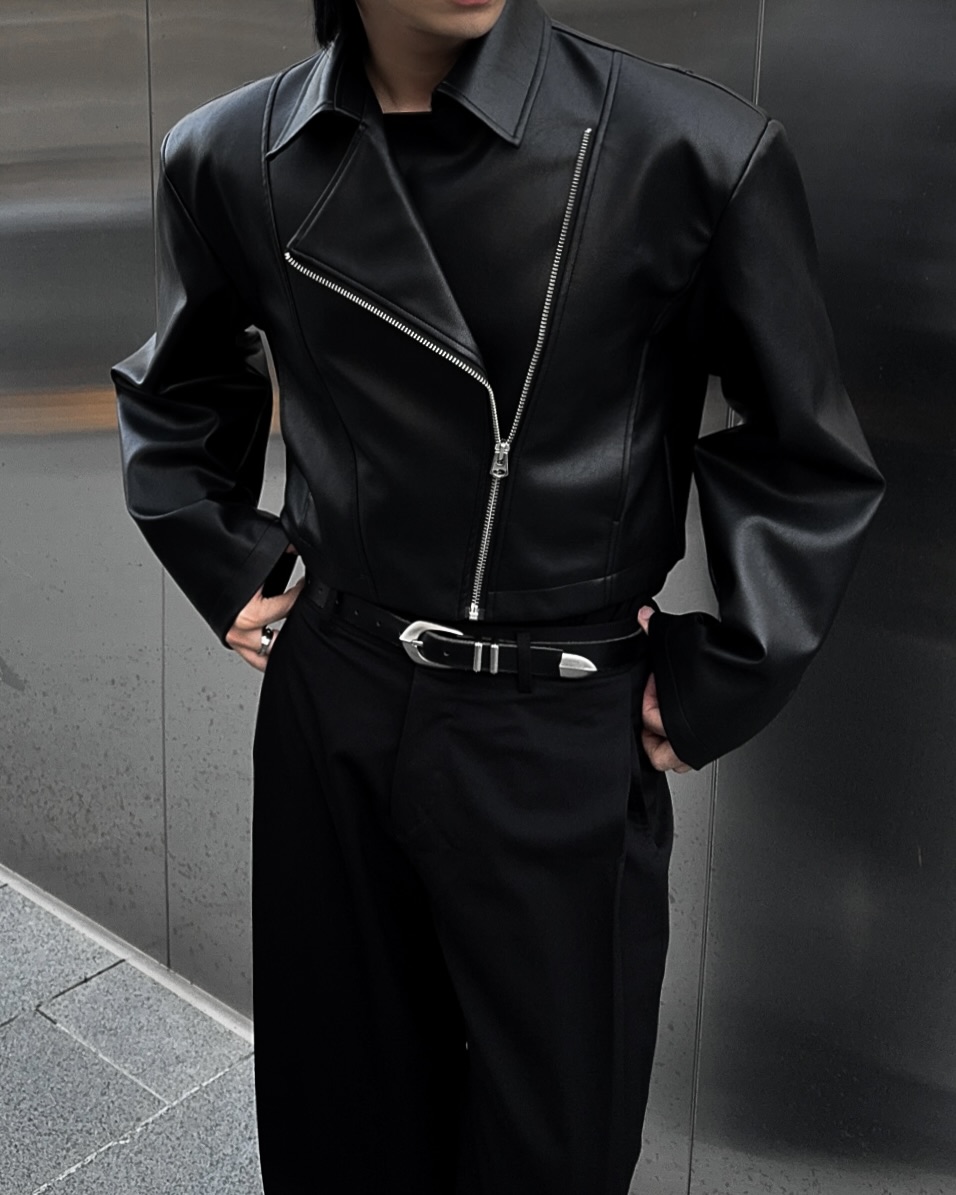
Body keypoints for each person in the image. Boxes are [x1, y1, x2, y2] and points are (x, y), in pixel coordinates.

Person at [112, 0, 884, 1191]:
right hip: (335, 704)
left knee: (550, 1148)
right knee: (340, 1126)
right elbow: (175, 392)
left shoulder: (686, 149)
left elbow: (806, 455)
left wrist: (722, 672)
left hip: (557, 716)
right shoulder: (230, 152)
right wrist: (226, 562)